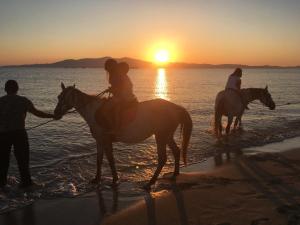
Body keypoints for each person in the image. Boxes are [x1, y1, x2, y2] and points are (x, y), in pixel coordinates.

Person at [0, 80, 56, 188]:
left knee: (2, 162)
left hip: (3, 135)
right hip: (19, 134)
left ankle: (2, 186)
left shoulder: (0, 101)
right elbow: (37, 113)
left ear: (5, 89)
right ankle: (26, 184)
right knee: (23, 160)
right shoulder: (23, 100)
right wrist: (52, 116)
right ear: (17, 89)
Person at [100, 59, 138, 134]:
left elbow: (120, 88)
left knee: (105, 110)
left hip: (123, 96)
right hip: (125, 95)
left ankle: (115, 128)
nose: (108, 71)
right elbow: (118, 86)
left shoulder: (117, 74)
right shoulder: (119, 73)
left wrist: (112, 90)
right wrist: (111, 89)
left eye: (108, 68)